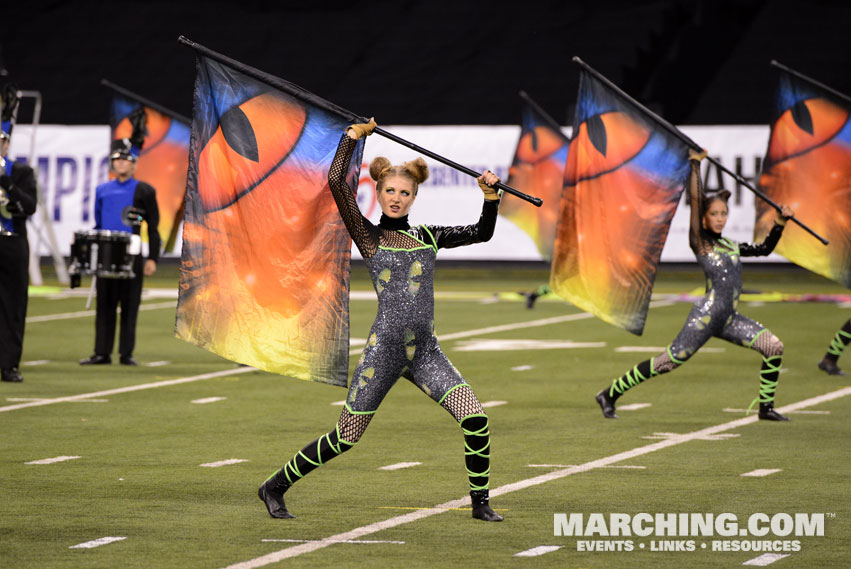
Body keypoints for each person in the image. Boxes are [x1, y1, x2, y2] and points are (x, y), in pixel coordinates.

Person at [258, 118, 504, 522]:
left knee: (476, 417)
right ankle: (274, 486)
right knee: (345, 438)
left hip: (425, 352)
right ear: (379, 192)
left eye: (404, 193)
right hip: (384, 353)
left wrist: (490, 196)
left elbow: (482, 232)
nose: (396, 198)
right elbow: (338, 184)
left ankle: (480, 504)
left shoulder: (429, 236)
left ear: (413, 197)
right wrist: (351, 139)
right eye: (390, 190)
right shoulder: (369, 235)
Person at [594, 149, 794, 421]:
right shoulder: (700, 242)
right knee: (667, 362)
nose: (721, 218)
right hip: (705, 318)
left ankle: (765, 408)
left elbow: (764, 250)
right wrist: (695, 165)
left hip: (728, 319)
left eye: (724, 213)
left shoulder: (730, 245)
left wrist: (780, 223)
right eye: (715, 214)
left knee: (774, 347)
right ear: (704, 218)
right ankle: (609, 393)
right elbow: (697, 202)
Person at [80, 109, 159, 366]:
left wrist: (152, 258)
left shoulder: (145, 190)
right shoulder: (102, 190)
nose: (121, 163)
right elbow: (98, 222)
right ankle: (101, 352)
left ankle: (126, 353)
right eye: (117, 160)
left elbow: (153, 227)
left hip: (132, 254)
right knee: (104, 305)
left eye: (125, 160)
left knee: (129, 305)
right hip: (105, 254)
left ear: (134, 163)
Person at [0, 84, 37, 383]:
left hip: (12, 244)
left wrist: (6, 184)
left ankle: (9, 363)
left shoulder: (21, 172)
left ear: (6, 144)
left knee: (13, 305)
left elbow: (30, 206)